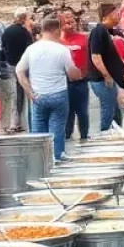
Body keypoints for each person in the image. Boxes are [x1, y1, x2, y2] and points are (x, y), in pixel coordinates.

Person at [17, 15, 80, 159]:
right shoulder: (62, 50)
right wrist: (78, 72)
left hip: (38, 95)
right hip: (58, 93)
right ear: (56, 30)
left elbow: (19, 70)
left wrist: (29, 90)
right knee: (57, 128)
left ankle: (38, 160)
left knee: (38, 130)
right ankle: (56, 156)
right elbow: (72, 73)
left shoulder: (31, 49)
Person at [88, 3, 124, 131]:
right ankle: (105, 135)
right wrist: (106, 75)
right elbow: (96, 56)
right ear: (108, 14)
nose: (119, 15)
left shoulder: (108, 32)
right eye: (116, 13)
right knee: (109, 110)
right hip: (102, 80)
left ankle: (116, 133)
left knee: (115, 111)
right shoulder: (98, 31)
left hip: (111, 80)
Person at [59, 10, 90, 144]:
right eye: (67, 23)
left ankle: (84, 134)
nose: (71, 25)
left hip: (80, 81)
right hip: (63, 81)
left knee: (82, 110)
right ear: (61, 26)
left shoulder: (84, 38)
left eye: (72, 22)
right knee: (67, 111)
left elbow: (90, 56)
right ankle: (67, 135)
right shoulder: (58, 41)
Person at [1, 8, 34, 132]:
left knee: (16, 93)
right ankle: (31, 122)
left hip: (12, 64)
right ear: (24, 18)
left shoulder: (7, 31)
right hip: (25, 65)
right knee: (29, 91)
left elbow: (3, 46)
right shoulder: (25, 32)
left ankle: (15, 122)